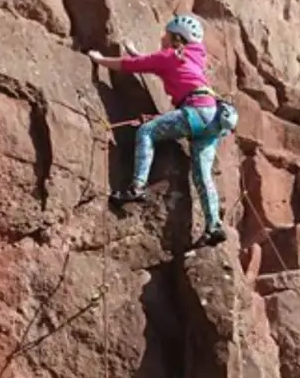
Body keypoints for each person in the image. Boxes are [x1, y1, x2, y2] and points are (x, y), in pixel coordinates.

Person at [86, 13, 240, 249]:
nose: (162, 37)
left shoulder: (168, 57)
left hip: (196, 112)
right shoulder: (193, 57)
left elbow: (131, 66)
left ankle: (137, 187)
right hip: (213, 119)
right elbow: (159, 65)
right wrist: (139, 54)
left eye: (166, 34)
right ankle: (213, 226)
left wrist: (100, 60)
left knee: (147, 131)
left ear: (175, 37)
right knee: (202, 174)